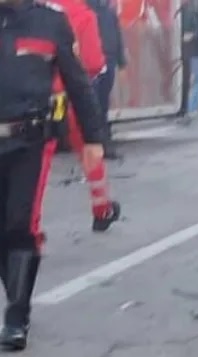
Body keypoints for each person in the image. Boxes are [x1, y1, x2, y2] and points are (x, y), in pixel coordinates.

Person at [0, 0, 105, 351]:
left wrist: (93, 137)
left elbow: (78, 83)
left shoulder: (50, 22)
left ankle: (17, 316)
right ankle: (17, 292)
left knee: (19, 224)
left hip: (29, 142)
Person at [51, 0, 121, 234]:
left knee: (33, 160)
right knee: (89, 148)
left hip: (36, 98)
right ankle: (101, 209)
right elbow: (93, 63)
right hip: (69, 96)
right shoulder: (84, 15)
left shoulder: (36, 11)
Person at [88, 0, 126, 159]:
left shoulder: (109, 12)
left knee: (102, 103)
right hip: (94, 61)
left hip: (108, 60)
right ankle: (99, 141)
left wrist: (121, 62)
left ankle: (103, 141)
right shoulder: (88, 11)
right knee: (95, 104)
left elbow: (117, 36)